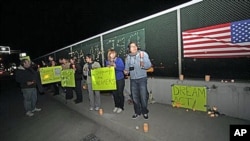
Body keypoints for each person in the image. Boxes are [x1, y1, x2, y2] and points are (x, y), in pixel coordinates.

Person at [124, 42, 152, 119]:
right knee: (135, 97)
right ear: (129, 49)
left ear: (137, 47)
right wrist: (126, 71)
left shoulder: (143, 54)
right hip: (133, 80)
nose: (134, 47)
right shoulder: (128, 57)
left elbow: (149, 65)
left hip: (142, 78)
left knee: (143, 96)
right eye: (131, 47)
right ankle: (137, 112)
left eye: (135, 46)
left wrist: (142, 63)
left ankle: (145, 112)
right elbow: (127, 68)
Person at [105, 49, 125, 113]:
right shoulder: (107, 61)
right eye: (111, 53)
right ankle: (116, 106)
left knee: (120, 93)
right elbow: (107, 71)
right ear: (109, 54)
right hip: (112, 79)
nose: (112, 55)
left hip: (120, 79)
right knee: (114, 94)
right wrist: (108, 67)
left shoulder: (119, 60)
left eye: (113, 53)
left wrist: (116, 66)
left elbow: (122, 68)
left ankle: (121, 107)